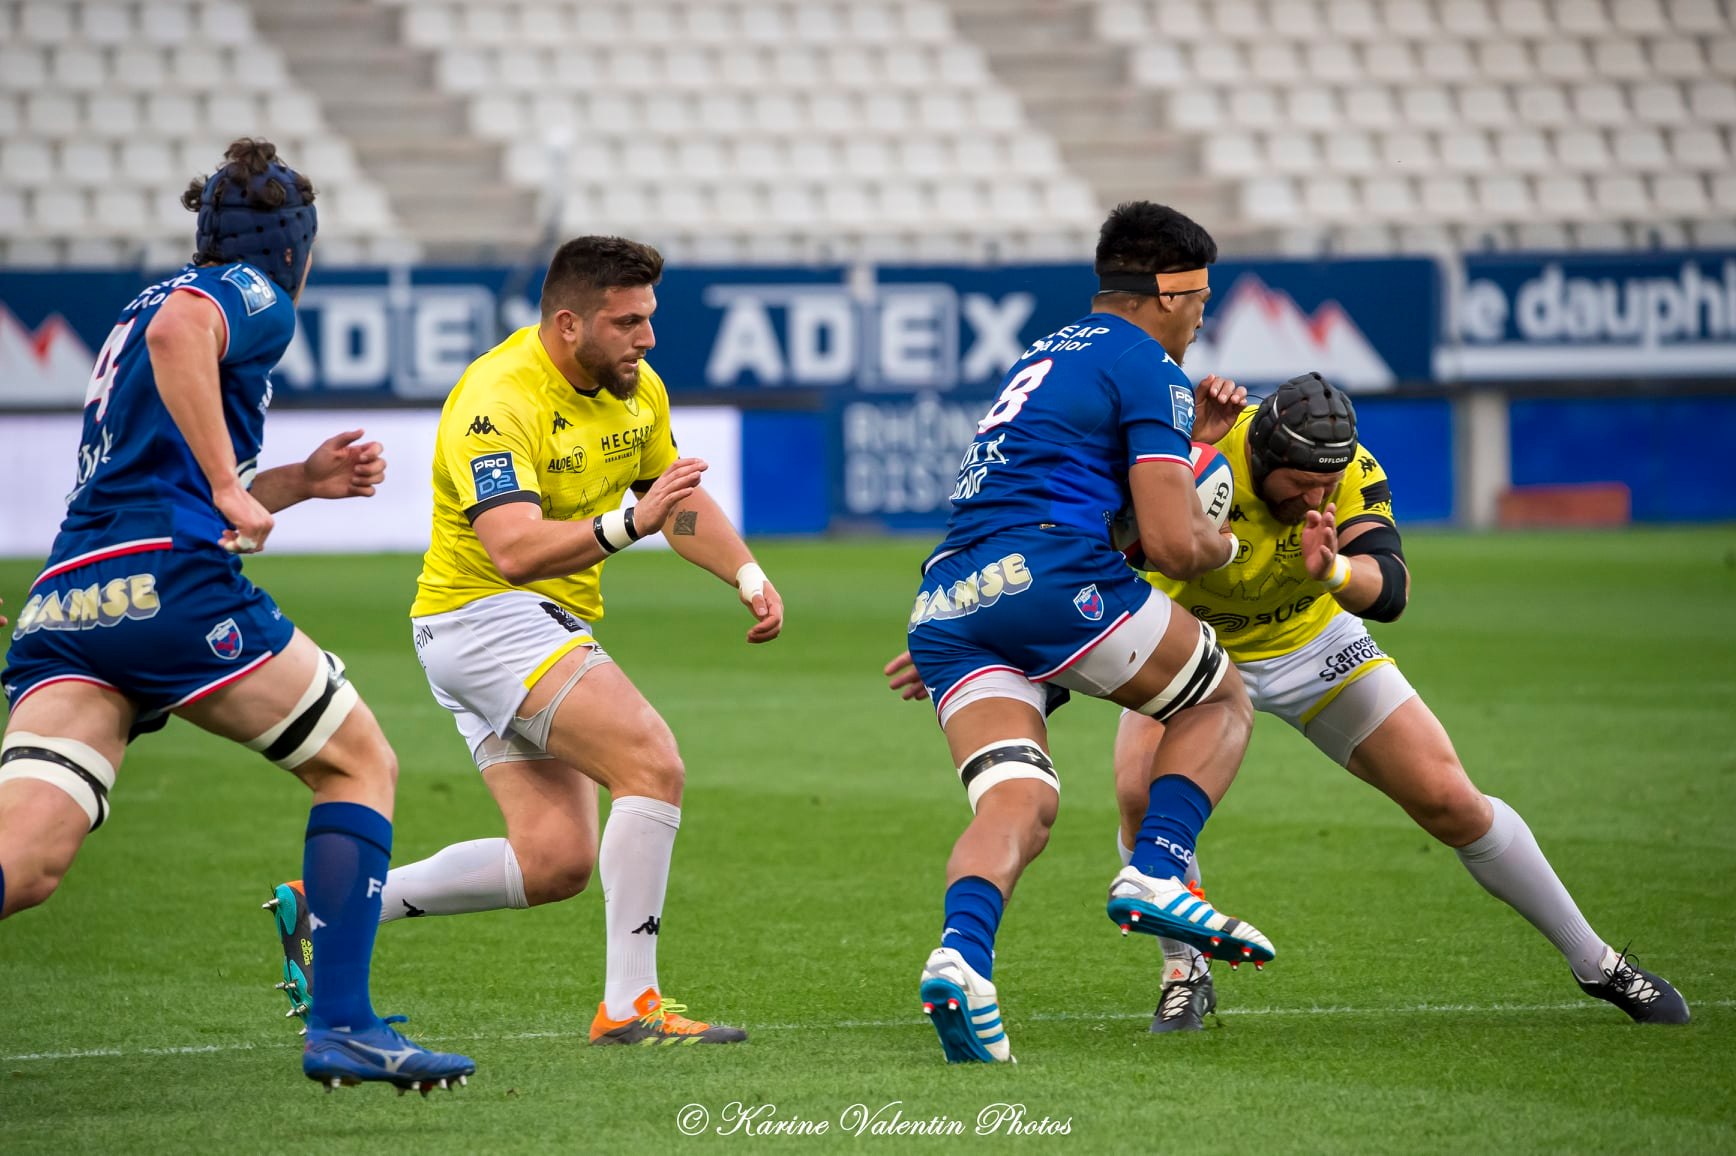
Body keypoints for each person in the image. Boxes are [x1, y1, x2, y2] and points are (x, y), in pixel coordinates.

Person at [0, 139, 476, 1092]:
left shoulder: (137, 307)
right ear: (294, 243)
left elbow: (152, 443)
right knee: (358, 761)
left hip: (67, 597)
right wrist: (229, 484)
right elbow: (188, 336)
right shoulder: (246, 291)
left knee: (27, 856)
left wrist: (298, 483)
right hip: (167, 584)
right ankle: (344, 1025)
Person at [265, 235, 782, 1047]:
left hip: (525, 625)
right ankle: (630, 1007)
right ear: (569, 323)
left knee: (554, 863)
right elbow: (513, 548)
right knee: (652, 763)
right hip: (484, 613)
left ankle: (326, 907)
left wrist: (746, 575)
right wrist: (627, 524)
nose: (646, 338)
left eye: (650, 318)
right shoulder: (496, 399)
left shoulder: (635, 387)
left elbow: (672, 499)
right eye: (627, 322)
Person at [1115, 371, 1690, 1031]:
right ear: (1263, 458)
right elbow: (1117, 539)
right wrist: (1186, 452)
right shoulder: (1204, 448)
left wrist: (1331, 570)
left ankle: (1599, 964)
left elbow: (1389, 588)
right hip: (1197, 646)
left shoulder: (1349, 469)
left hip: (1313, 642)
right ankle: (1185, 971)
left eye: (1325, 485)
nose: (1315, 498)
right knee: (1138, 795)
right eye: (1300, 485)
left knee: (1450, 799)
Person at [894, 202, 1274, 1065]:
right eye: (1202, 299)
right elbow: (1175, 545)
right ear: (1168, 293)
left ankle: (962, 960)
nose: (1204, 317)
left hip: (947, 603)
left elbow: (1094, 507)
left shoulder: (1045, 353)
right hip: (1048, 576)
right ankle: (1161, 868)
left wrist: (1187, 446)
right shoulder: (1149, 366)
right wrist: (1224, 540)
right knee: (1218, 698)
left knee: (1017, 803)